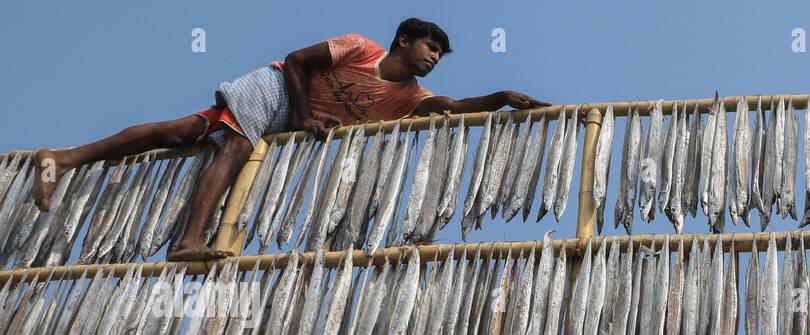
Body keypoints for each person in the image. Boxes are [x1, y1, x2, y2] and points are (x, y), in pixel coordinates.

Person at [31, 18, 549, 260]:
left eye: (440, 53)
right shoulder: (360, 48)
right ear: (404, 41)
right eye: (430, 46)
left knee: (179, 131)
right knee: (235, 146)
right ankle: (188, 240)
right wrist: (304, 117)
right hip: (278, 90)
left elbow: (454, 108)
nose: (434, 57)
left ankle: (64, 158)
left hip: (286, 119)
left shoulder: (409, 97)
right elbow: (298, 60)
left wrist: (501, 95)